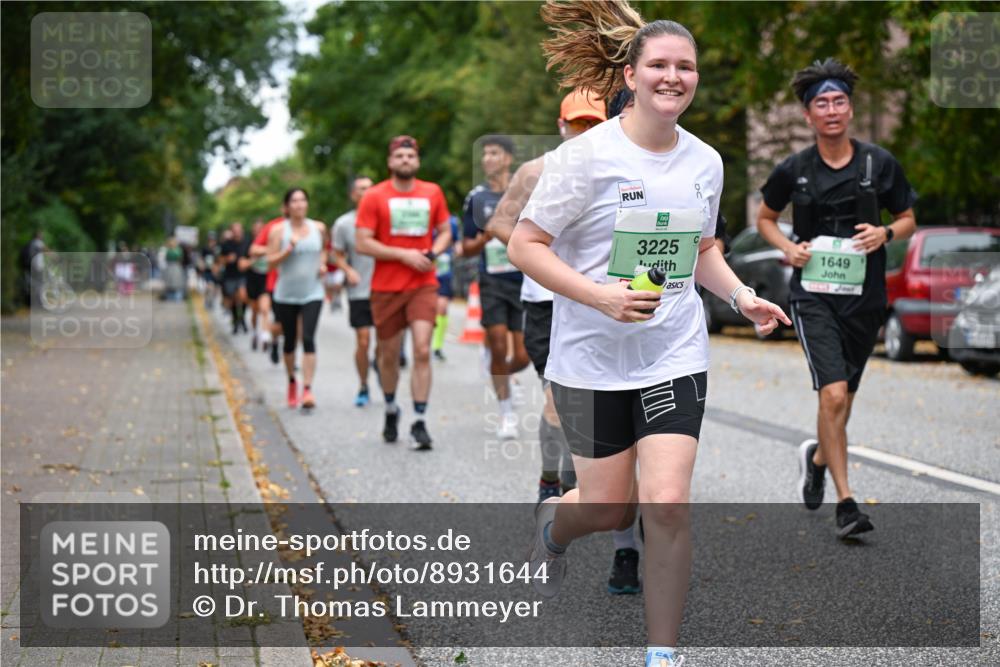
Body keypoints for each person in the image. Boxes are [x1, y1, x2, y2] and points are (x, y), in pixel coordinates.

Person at [509, 3, 790, 665]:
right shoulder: (584, 158)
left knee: (665, 502)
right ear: (631, 76)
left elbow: (703, 247)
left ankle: (662, 654)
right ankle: (552, 526)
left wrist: (742, 296)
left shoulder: (705, 162)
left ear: (696, 79)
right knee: (607, 509)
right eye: (659, 65)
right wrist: (599, 296)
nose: (673, 77)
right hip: (589, 359)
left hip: (672, 353)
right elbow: (525, 245)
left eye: (685, 67)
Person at [492, 87, 650, 597]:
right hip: (548, 304)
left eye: (591, 124)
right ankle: (549, 480)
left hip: (615, 304)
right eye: (575, 124)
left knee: (631, 429)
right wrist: (545, 249)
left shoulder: (628, 166)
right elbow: (501, 224)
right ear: (561, 126)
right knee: (556, 402)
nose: (583, 132)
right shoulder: (536, 170)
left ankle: (626, 548)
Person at [755, 58, 917, 539]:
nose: (831, 110)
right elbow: (765, 217)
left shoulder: (878, 163)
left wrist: (885, 233)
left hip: (865, 299)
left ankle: (817, 459)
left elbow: (908, 218)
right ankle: (846, 504)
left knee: (841, 403)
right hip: (813, 298)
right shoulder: (795, 169)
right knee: (833, 394)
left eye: (839, 101)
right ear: (808, 115)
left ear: (850, 109)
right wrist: (789, 249)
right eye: (821, 103)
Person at [355, 135, 452, 451]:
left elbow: (446, 231)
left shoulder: (432, 192)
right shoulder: (374, 195)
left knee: (422, 349)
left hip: (423, 283)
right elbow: (362, 242)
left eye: (411, 156)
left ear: (417, 161)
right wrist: (402, 255)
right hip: (386, 287)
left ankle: (420, 421)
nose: (405, 160)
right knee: (389, 354)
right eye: (400, 156)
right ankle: (390, 407)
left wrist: (433, 252)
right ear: (390, 162)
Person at [462, 135, 531, 440]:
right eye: (485, 153)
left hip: (523, 281)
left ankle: (502, 374)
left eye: (494, 153)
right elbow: (465, 248)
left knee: (523, 355)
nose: (487, 158)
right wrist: (486, 237)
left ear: (508, 159)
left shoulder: (526, 193)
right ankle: (506, 413)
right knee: (499, 345)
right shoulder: (476, 199)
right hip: (492, 281)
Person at [266, 188, 327, 410]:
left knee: (309, 338)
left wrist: (322, 265)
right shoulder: (278, 231)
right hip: (286, 294)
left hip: (313, 292)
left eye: (303, 200)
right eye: (294, 201)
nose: (299, 204)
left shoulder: (318, 228)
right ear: (287, 206)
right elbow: (269, 263)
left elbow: (323, 250)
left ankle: (308, 389)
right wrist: (288, 248)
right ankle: (292, 381)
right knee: (290, 341)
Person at [332, 175, 377, 407]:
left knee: (386, 344)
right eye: (361, 189)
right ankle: (363, 385)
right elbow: (337, 255)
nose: (366, 192)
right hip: (359, 290)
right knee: (363, 341)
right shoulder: (343, 224)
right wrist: (348, 270)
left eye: (370, 188)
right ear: (353, 195)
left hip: (385, 289)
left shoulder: (385, 218)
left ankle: (381, 364)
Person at [251, 211, 288, 365]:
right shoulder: (274, 226)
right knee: (264, 310)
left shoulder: (308, 227)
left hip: (293, 284)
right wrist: (274, 249)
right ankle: (263, 334)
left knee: (287, 324)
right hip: (268, 280)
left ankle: (279, 344)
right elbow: (253, 250)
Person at [431, 214, 461, 362]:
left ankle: (437, 346)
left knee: (441, 308)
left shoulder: (452, 222)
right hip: (424, 271)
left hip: (444, 274)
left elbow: (457, 245)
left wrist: (458, 249)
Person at [243, 219, 272, 351]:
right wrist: (252, 261)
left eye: (261, 229)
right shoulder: (248, 245)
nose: (259, 232)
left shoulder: (270, 243)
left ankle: (265, 335)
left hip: (265, 280)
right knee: (255, 311)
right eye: (256, 229)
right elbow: (241, 265)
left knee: (265, 309)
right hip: (252, 281)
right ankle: (255, 332)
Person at [220, 222, 249, 334]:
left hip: (242, 275)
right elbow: (220, 260)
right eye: (235, 231)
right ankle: (236, 320)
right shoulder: (226, 244)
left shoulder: (246, 242)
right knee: (232, 300)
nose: (237, 233)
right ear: (231, 232)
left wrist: (247, 262)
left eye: (239, 230)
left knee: (243, 296)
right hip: (230, 276)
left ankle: (242, 318)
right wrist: (227, 259)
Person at [199, 232, 220, 309]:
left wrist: (217, 267)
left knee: (216, 289)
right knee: (209, 287)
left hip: (216, 271)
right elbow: (201, 258)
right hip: (207, 270)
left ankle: (213, 301)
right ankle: (208, 301)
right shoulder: (205, 248)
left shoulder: (217, 249)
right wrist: (202, 265)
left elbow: (220, 259)